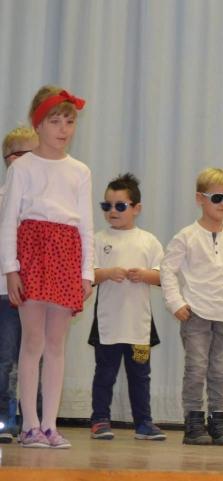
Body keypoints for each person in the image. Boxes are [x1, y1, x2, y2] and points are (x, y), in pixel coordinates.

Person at [0, 86, 93, 448]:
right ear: (38, 124)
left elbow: (85, 225)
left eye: (69, 122)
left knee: (56, 343)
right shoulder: (22, 167)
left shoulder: (80, 171)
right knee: (33, 341)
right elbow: (9, 222)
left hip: (66, 253)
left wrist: (86, 272)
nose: (63, 129)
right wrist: (11, 269)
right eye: (55, 121)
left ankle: (51, 425)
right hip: (33, 251)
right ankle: (29, 425)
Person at [161, 167, 223, 446]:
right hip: (196, 314)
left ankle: (218, 420)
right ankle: (193, 421)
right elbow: (167, 270)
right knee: (196, 368)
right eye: (217, 197)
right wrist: (176, 302)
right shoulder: (186, 236)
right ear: (200, 199)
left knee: (220, 371)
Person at [88, 173, 166, 442]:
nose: (112, 211)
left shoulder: (148, 241)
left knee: (140, 376)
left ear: (136, 208)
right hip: (107, 323)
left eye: (120, 206)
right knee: (104, 374)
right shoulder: (97, 239)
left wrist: (144, 275)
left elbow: (163, 276)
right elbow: (88, 275)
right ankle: (99, 419)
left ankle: (143, 423)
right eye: (107, 205)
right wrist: (108, 272)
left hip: (139, 326)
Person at [0, 125, 37, 443]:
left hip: (38, 293)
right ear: (10, 160)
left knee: (37, 355)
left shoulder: (44, 203)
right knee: (6, 357)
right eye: (27, 155)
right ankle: (4, 417)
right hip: (5, 293)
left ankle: (33, 419)